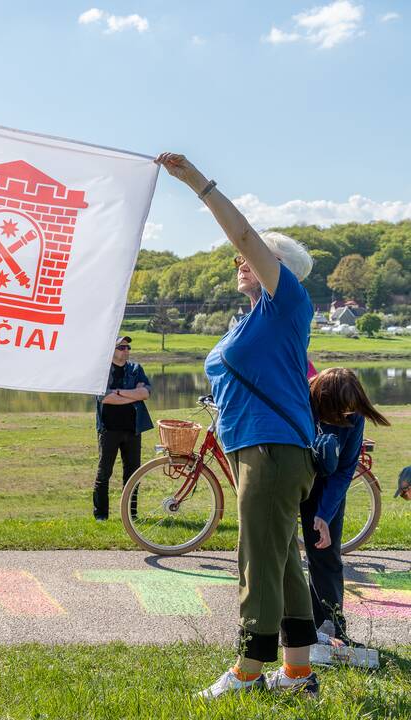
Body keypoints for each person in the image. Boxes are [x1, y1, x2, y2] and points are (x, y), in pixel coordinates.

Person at [157, 153, 321, 698]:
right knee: (282, 564)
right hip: (260, 449)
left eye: (251, 258)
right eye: (240, 260)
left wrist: (197, 184)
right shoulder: (251, 320)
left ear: (280, 269)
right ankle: (298, 674)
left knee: (255, 557)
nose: (240, 262)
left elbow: (245, 236)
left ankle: (249, 670)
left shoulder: (287, 303)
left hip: (272, 451)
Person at [301, 368, 390, 646]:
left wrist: (324, 515)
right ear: (322, 400)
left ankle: (331, 630)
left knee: (325, 554)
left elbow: (344, 470)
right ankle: (293, 632)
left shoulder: (354, 415)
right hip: (291, 473)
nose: (344, 419)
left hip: (326, 483)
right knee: (279, 556)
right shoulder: (301, 399)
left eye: (349, 413)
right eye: (338, 413)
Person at [92, 335, 152, 520]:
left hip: (133, 429)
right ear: (112, 350)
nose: (126, 351)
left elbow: (145, 393)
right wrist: (132, 394)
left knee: (133, 474)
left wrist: (118, 392)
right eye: (122, 348)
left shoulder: (135, 369)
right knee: (104, 473)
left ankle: (131, 515)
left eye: (128, 348)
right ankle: (101, 515)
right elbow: (105, 398)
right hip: (109, 430)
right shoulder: (102, 372)